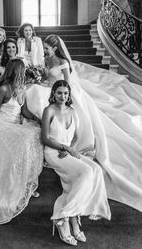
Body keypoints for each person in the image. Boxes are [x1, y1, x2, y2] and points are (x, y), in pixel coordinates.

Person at [26, 34, 142, 214]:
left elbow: (67, 83)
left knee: (41, 97)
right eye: (46, 48)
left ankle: (70, 139)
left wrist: (61, 95)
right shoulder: (48, 61)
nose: (46, 51)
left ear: (55, 48)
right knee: (34, 91)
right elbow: (49, 80)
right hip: (53, 90)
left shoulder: (63, 63)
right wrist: (39, 79)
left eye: (48, 48)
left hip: (63, 92)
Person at [0, 59, 43, 227]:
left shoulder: (21, 89)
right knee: (26, 138)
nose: (24, 73)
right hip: (2, 126)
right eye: (22, 70)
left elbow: (23, 111)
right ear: (16, 71)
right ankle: (19, 182)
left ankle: (25, 181)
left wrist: (37, 119)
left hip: (15, 125)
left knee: (35, 133)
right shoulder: (4, 88)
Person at [42, 80, 111, 245]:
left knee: (96, 170)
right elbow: (45, 138)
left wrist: (70, 149)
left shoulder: (72, 111)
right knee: (86, 173)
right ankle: (64, 216)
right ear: (53, 93)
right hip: (53, 153)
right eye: (59, 93)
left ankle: (72, 216)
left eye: (65, 93)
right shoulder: (49, 110)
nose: (63, 96)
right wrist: (66, 149)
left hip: (67, 151)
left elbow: (78, 136)